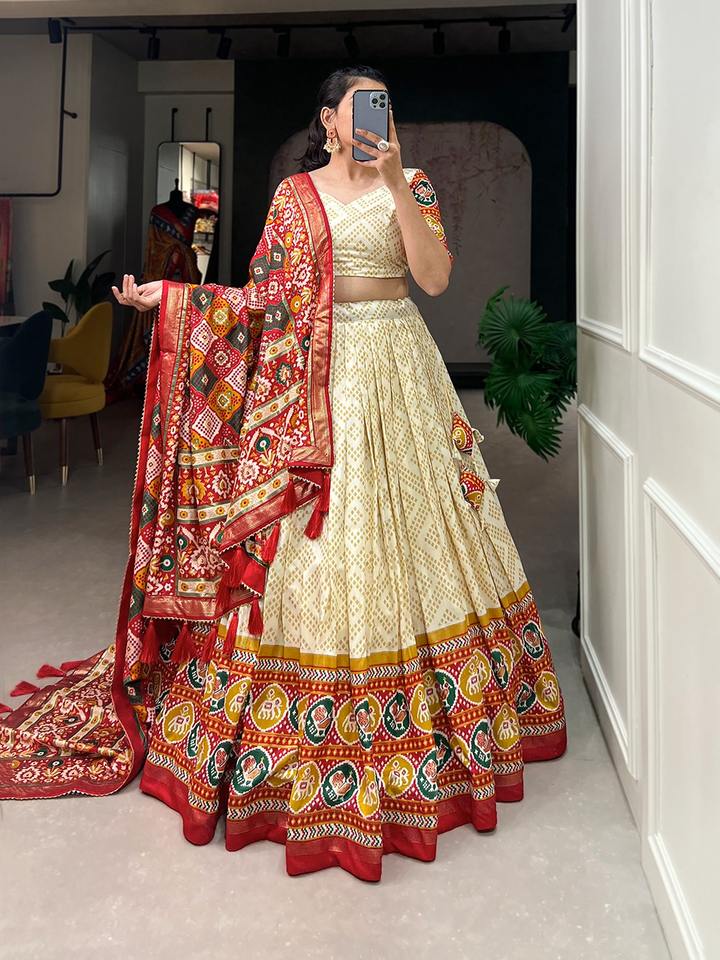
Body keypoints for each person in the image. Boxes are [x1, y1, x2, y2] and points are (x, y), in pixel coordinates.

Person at [0, 66, 567, 882]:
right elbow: (260, 300)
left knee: (418, 534)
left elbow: (435, 279)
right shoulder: (294, 197)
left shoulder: (412, 182)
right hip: (313, 382)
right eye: (361, 106)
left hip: (399, 366)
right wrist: (174, 300)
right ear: (329, 120)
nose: (376, 118)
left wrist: (396, 177)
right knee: (314, 539)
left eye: (385, 106)